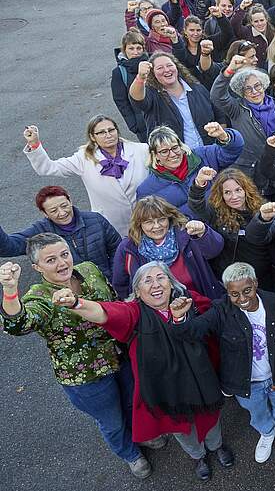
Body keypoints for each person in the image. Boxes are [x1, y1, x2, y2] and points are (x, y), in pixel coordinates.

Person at [51, 261, 233, 481]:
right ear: (137, 290)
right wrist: (77, 303)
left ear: (171, 282)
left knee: (211, 419)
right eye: (147, 280)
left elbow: (215, 313)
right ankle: (199, 456)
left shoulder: (188, 299)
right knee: (182, 429)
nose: (155, 284)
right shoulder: (134, 313)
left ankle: (217, 447)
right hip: (166, 389)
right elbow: (104, 313)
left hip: (200, 379)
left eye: (160, 278)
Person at [0, 237, 150, 479]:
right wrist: (9, 291)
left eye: (64, 254)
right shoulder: (39, 297)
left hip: (119, 355)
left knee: (133, 402)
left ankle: (141, 434)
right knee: (111, 421)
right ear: (37, 268)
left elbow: (112, 301)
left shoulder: (89, 270)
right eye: (51, 260)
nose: (62, 263)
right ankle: (130, 453)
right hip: (85, 375)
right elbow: (19, 324)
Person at [169, 262, 275, 463]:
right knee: (256, 412)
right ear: (227, 292)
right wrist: (179, 319)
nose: (242, 299)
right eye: (234, 294)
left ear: (256, 283)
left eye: (247, 290)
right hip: (246, 383)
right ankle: (267, 432)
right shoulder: (221, 310)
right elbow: (193, 331)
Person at [22, 117, 149, 235]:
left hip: (148, 219)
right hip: (111, 227)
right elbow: (48, 168)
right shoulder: (82, 159)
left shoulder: (141, 150)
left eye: (111, 130)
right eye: (102, 132)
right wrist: (34, 144)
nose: (108, 135)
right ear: (92, 137)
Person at [112, 195, 225, 299]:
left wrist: (203, 233)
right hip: (156, 314)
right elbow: (121, 285)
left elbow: (214, 250)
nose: (157, 226)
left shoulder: (186, 233)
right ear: (139, 224)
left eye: (161, 219)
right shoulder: (128, 247)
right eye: (149, 222)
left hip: (200, 303)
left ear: (169, 218)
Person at [0, 186, 121, 282]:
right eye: (53, 210)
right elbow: (10, 247)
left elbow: (117, 249)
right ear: (44, 213)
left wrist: (115, 278)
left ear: (70, 200)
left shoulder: (96, 220)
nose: (62, 213)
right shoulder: (40, 232)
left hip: (109, 284)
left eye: (64, 206)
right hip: (70, 293)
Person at [189, 167, 275, 290]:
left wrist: (263, 219)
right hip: (231, 280)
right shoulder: (216, 213)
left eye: (238, 190)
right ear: (221, 195)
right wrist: (199, 184)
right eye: (227, 192)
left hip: (262, 278)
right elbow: (197, 205)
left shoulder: (263, 210)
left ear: (246, 190)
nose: (234, 196)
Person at [210, 58, 275, 182]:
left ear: (264, 85)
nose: (254, 91)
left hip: (274, 172)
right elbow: (217, 96)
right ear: (242, 92)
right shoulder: (236, 109)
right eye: (248, 89)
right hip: (248, 171)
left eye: (257, 86)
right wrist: (228, 72)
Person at [135, 124, 243, 214]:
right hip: (192, 235)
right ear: (155, 155)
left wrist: (224, 137)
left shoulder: (203, 155)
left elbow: (232, 151)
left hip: (227, 218)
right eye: (164, 151)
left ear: (180, 145)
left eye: (175, 147)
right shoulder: (147, 190)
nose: (172, 154)